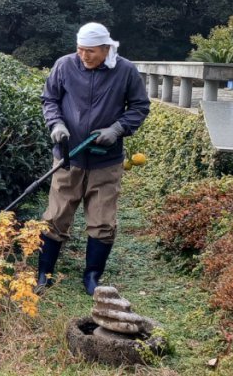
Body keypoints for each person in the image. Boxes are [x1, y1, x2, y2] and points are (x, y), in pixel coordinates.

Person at [37, 22, 150, 295]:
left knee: (102, 220)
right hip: (68, 157)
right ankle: (44, 273)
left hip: (105, 160)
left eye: (90, 51)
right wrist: (56, 125)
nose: (84, 56)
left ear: (105, 48)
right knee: (56, 216)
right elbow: (49, 99)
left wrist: (117, 129)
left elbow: (139, 106)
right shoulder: (65, 65)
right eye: (80, 50)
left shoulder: (124, 70)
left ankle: (92, 276)